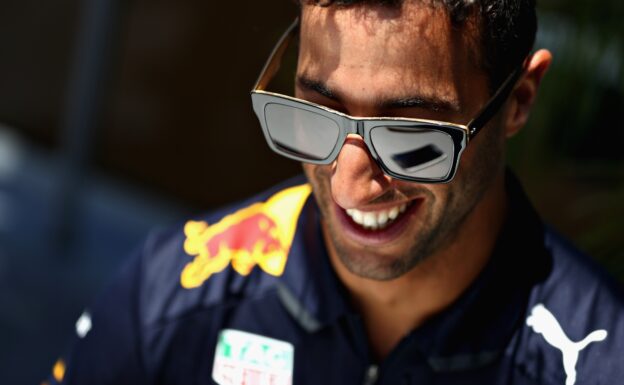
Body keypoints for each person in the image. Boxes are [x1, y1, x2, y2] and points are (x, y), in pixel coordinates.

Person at [46, 0, 624, 384]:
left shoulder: (596, 361)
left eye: (410, 137)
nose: (348, 183)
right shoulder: (174, 297)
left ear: (519, 99)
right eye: (318, 113)